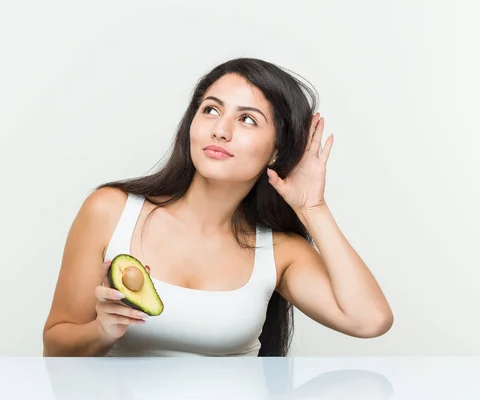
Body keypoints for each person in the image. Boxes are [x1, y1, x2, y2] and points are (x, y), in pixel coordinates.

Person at [42, 57, 393, 357]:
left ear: (276, 151)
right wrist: (102, 330)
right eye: (211, 110)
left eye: (247, 119)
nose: (221, 130)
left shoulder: (280, 253)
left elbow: (369, 320)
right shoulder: (110, 210)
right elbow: (54, 346)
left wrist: (312, 208)